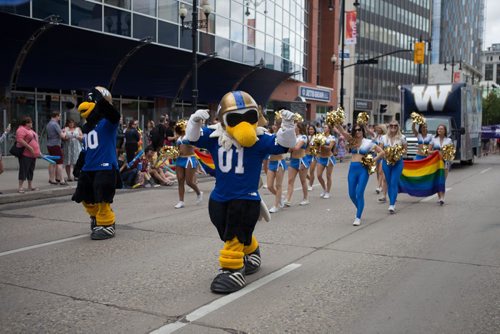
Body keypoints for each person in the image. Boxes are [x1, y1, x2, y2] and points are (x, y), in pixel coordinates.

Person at [185, 91, 296, 294]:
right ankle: (252, 251)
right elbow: (192, 139)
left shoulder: (259, 139)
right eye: (236, 118)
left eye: (249, 117)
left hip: (246, 197)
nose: (243, 124)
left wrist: (287, 126)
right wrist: (195, 122)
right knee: (225, 229)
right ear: (224, 120)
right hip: (220, 196)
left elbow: (283, 145)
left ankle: (232, 269)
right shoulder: (215, 136)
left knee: (234, 234)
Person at [72, 86, 121, 240]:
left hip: (105, 166)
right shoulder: (87, 128)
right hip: (88, 167)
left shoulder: (108, 123)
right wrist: (79, 165)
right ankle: (95, 217)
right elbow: (86, 149)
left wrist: (102, 101)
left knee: (102, 196)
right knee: (84, 196)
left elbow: (114, 115)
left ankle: (107, 224)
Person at [335, 123, 384, 226]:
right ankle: (360, 209)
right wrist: (336, 121)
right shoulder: (352, 140)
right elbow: (342, 131)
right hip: (352, 168)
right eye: (356, 130)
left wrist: (373, 160)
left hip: (363, 169)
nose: (357, 132)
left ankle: (358, 217)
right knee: (352, 194)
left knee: (359, 193)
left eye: (359, 130)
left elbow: (382, 152)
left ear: (363, 131)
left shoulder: (368, 142)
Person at [173, 121, 203, 208]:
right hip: (180, 159)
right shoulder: (179, 137)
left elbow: (196, 147)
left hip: (189, 159)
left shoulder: (191, 136)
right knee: (180, 181)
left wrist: (191, 145)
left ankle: (198, 192)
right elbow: (178, 149)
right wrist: (173, 153)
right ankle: (181, 201)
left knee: (189, 181)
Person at [380, 120, 407, 214]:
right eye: (391, 125)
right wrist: (386, 155)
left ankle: (392, 204)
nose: (393, 127)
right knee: (388, 182)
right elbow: (380, 150)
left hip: (398, 163)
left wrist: (397, 154)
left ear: (398, 127)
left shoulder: (402, 137)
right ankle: (392, 200)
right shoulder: (383, 138)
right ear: (389, 127)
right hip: (386, 163)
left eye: (395, 126)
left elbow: (405, 150)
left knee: (393, 182)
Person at [284, 121, 309, 206]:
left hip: (301, 161)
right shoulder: (293, 137)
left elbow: (296, 147)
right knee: (290, 181)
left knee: (303, 181)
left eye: (295, 126)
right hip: (293, 161)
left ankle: (305, 198)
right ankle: (288, 199)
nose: (293, 128)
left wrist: (287, 145)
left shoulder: (303, 137)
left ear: (299, 128)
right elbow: (289, 150)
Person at [15, 116, 41, 193]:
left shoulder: (30, 130)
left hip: (33, 154)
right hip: (25, 154)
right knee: (24, 169)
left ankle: (30, 185)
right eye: (29, 122)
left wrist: (38, 151)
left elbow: (35, 141)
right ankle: (20, 187)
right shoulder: (21, 129)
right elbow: (19, 140)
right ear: (25, 123)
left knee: (30, 170)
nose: (31, 123)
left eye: (31, 122)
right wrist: (30, 147)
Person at [266, 120, 287, 213]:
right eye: (273, 124)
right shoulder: (269, 135)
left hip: (279, 162)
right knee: (270, 186)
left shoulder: (282, 136)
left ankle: (276, 205)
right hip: (271, 163)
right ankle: (280, 197)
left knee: (278, 185)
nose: (274, 126)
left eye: (275, 124)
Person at [429, 124, 453, 205]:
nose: (439, 130)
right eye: (438, 129)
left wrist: (445, 154)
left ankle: (442, 197)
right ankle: (440, 198)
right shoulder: (433, 139)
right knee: (437, 180)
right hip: (435, 162)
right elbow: (429, 151)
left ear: (445, 131)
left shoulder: (449, 140)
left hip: (445, 162)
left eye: (441, 129)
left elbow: (451, 152)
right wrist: (435, 152)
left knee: (442, 180)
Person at [46, 111, 67, 185]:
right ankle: (61, 180)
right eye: (59, 116)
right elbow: (62, 136)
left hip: (49, 144)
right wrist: (64, 132)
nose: (60, 117)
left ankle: (52, 179)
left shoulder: (49, 124)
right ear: (56, 116)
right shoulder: (55, 124)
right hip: (55, 145)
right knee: (59, 163)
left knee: (52, 162)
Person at [316, 124, 336, 199]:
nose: (324, 128)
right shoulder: (320, 137)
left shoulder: (332, 137)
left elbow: (330, 147)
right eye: (323, 127)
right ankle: (324, 189)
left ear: (329, 129)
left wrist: (322, 144)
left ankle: (328, 192)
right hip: (321, 158)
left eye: (325, 127)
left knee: (328, 176)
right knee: (318, 175)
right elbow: (316, 147)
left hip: (329, 159)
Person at [373, 124, 387, 201]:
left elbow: (381, 148)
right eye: (377, 128)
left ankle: (379, 187)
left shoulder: (384, 137)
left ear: (382, 129)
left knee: (380, 171)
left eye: (379, 128)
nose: (378, 129)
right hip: (376, 155)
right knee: (377, 172)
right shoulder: (376, 136)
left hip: (382, 155)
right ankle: (381, 185)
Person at [305, 123, 317, 191]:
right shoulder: (307, 137)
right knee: (304, 172)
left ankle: (310, 185)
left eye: (312, 129)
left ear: (314, 130)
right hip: (306, 156)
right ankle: (311, 179)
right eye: (309, 129)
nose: (310, 130)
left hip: (313, 156)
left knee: (311, 171)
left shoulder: (317, 137)